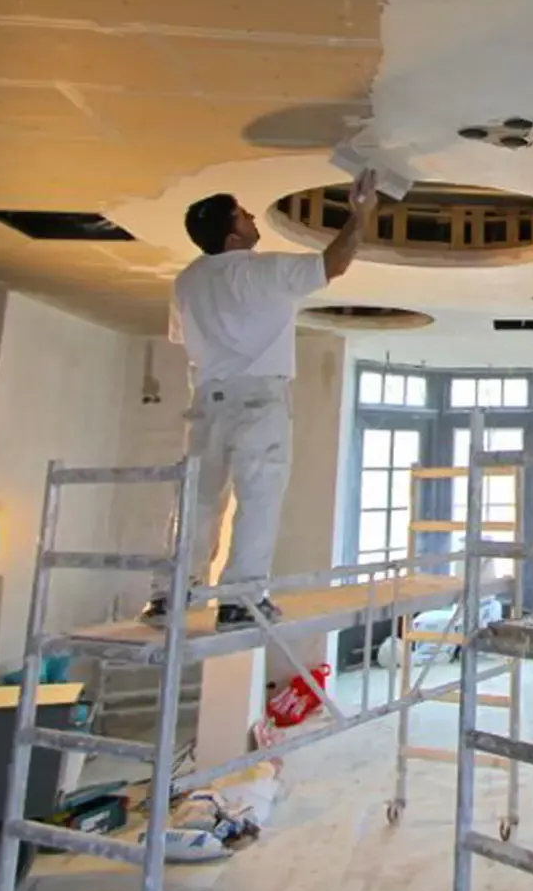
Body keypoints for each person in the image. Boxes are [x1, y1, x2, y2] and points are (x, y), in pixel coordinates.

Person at [146, 175, 376, 629]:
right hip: (258, 400)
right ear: (233, 237)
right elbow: (334, 262)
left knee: (197, 499)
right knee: (258, 496)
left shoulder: (187, 281)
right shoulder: (261, 271)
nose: (253, 217)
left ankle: (170, 595)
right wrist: (361, 214)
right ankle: (241, 600)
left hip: (207, 402)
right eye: (243, 214)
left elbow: (180, 336)